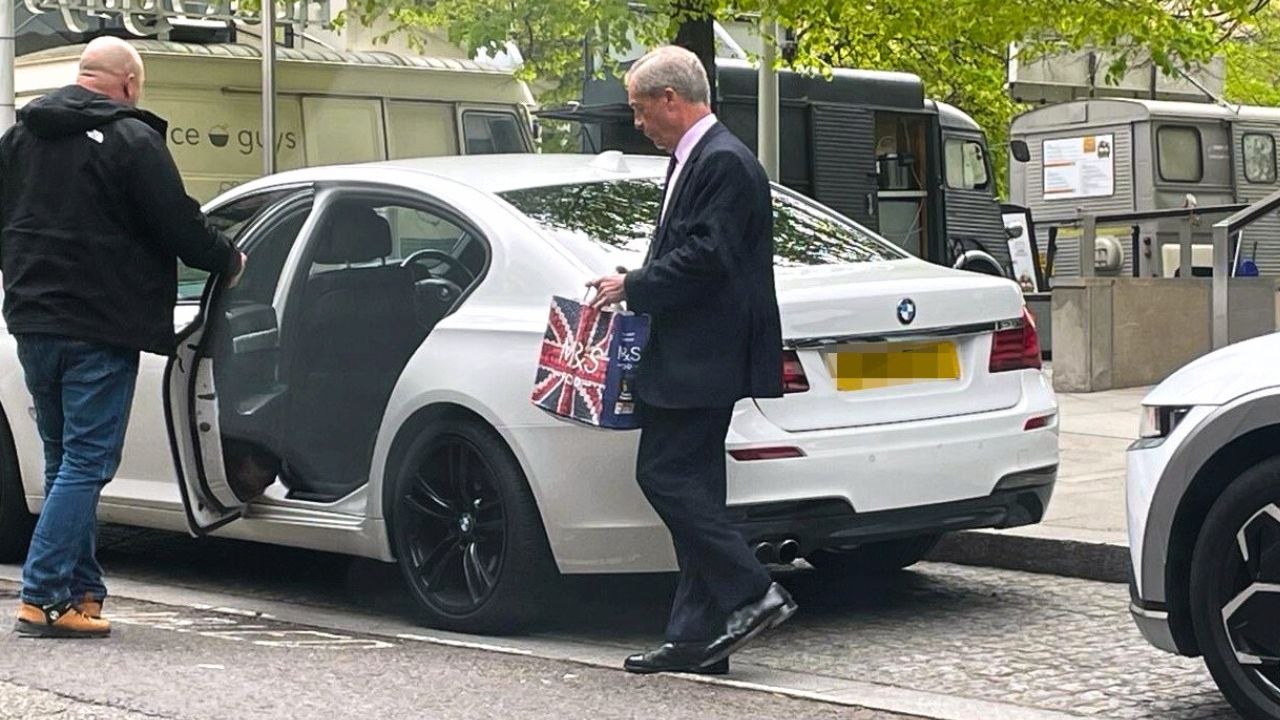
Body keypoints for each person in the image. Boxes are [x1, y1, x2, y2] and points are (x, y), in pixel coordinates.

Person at [0, 36, 245, 638]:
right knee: (87, 461)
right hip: (99, 325)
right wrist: (227, 259)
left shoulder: (18, 139)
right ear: (130, 85)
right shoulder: (133, 140)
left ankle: (83, 594)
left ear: (82, 75)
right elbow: (180, 224)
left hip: (32, 321)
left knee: (65, 460)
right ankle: (43, 594)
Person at [589, 45, 797, 675]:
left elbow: (709, 257)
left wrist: (635, 285)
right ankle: (696, 640)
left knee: (664, 476)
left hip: (702, 354)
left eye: (640, 108)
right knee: (696, 487)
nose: (637, 121)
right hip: (693, 349)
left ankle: (753, 591)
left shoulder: (725, 162)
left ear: (671, 101)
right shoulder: (700, 158)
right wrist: (642, 279)